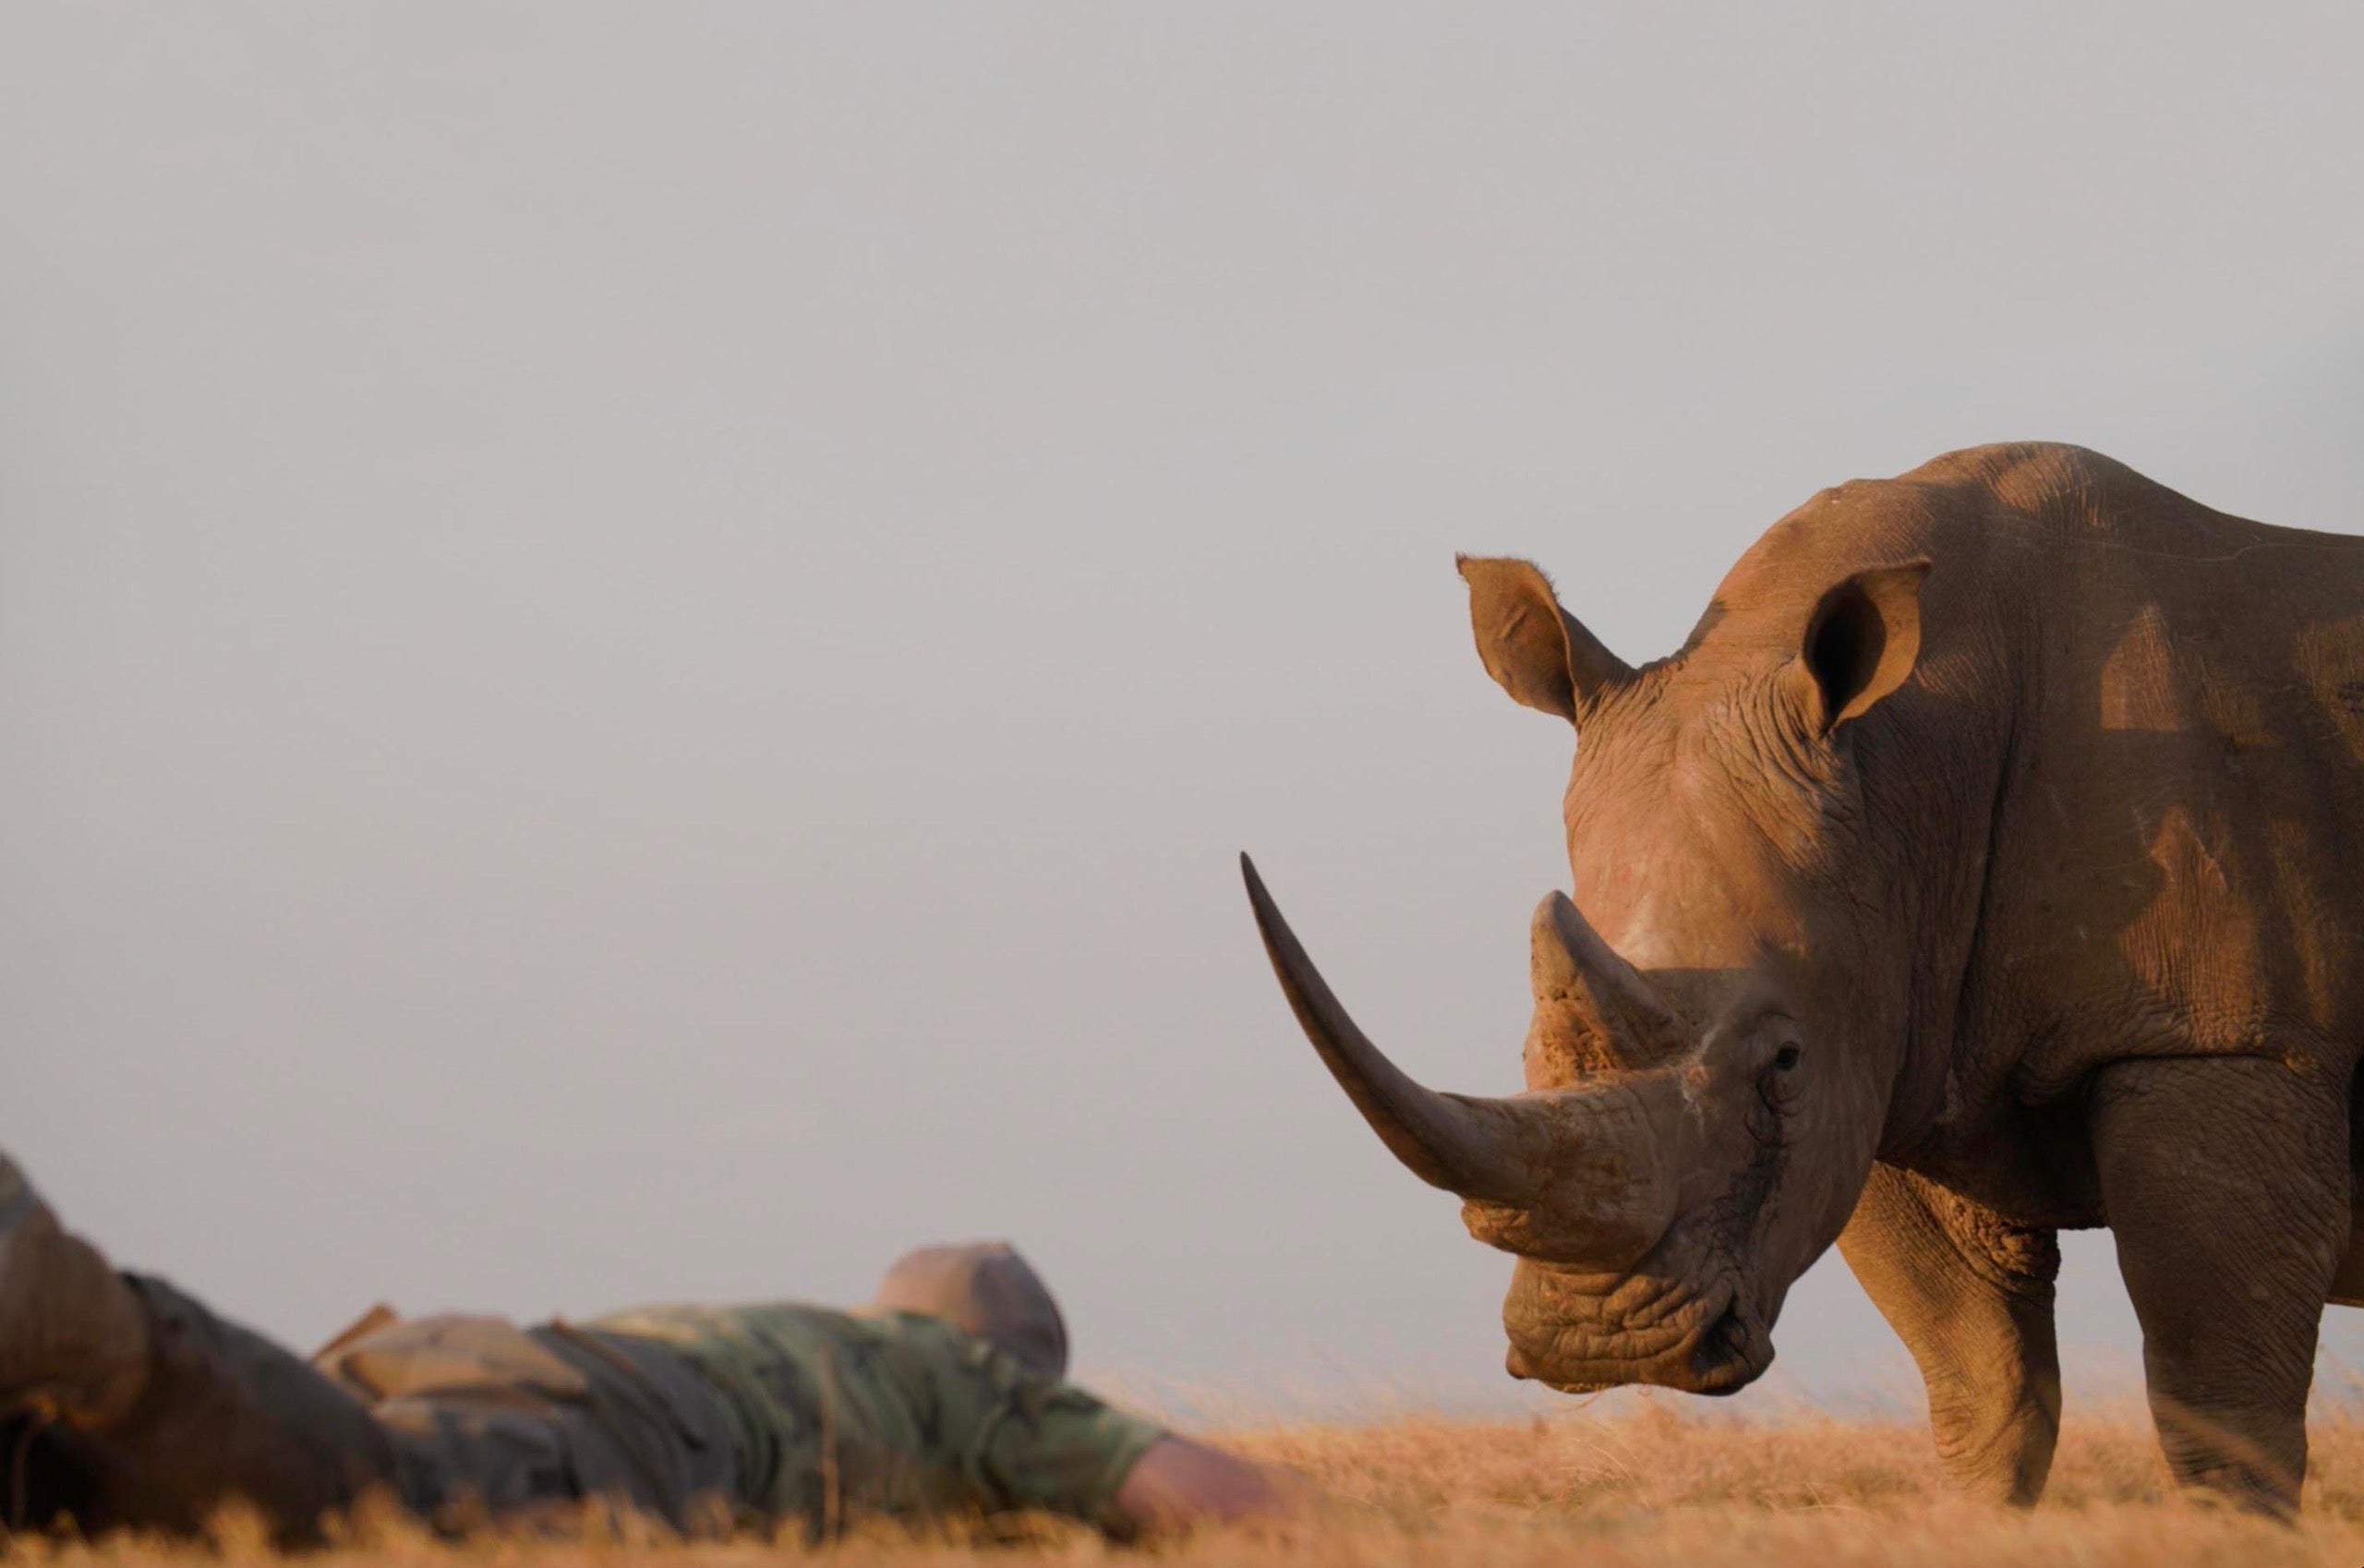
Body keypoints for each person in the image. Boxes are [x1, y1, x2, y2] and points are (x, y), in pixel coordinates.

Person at [0, 1152, 1282, 1544]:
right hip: (582, 1426)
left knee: (124, 1501)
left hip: (458, 1356)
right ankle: (77, 1313)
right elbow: (1222, 1504)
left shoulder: (793, 1331)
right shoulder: (966, 1379)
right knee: (368, 1507)